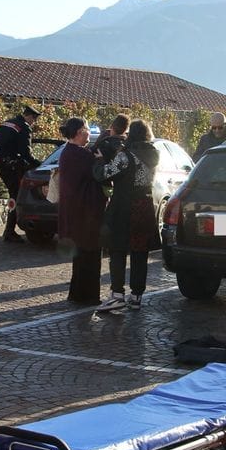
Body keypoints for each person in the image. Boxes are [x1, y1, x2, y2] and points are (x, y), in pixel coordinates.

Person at [93, 119, 160, 311]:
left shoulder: (126, 156)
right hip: (145, 206)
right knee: (140, 252)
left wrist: (98, 159)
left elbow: (104, 174)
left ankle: (117, 295)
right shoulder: (154, 154)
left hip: (124, 206)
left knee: (118, 249)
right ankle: (137, 296)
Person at [57, 117, 107, 306]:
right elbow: (99, 174)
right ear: (79, 132)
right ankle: (88, 296)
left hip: (76, 213)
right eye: (87, 129)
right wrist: (101, 160)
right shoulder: (80, 155)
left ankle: (77, 294)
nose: (89, 132)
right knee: (90, 255)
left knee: (81, 257)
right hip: (86, 214)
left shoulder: (68, 152)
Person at [0, 105, 42, 243]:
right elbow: (26, 153)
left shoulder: (7, 123)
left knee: (13, 193)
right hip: (11, 165)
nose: (34, 123)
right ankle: (9, 231)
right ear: (30, 117)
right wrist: (39, 164)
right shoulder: (24, 127)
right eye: (34, 120)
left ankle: (9, 230)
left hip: (0, 162)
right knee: (16, 194)